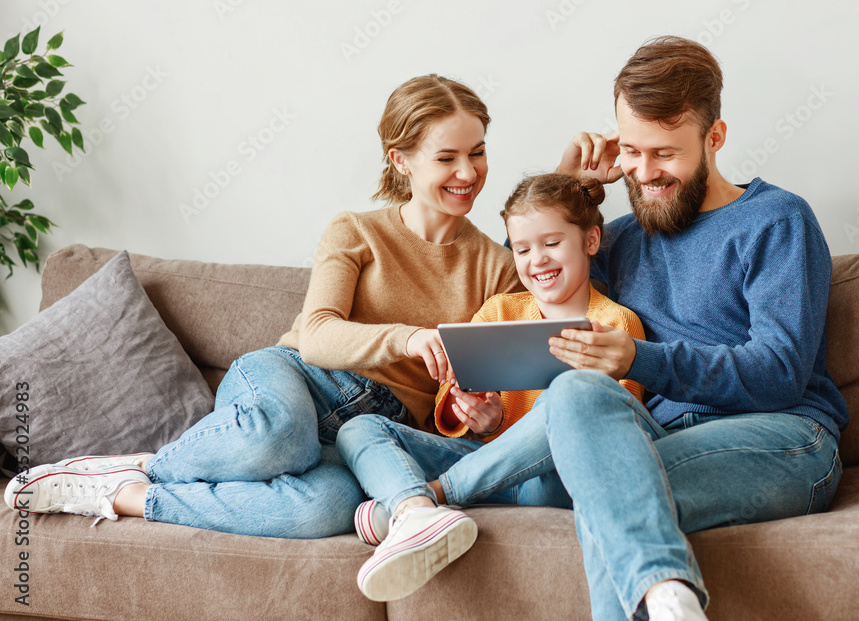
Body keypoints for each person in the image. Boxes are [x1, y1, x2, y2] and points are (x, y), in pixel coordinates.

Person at [3, 74, 522, 539]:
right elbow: (318, 334)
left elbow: (466, 397)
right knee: (281, 435)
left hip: (376, 435)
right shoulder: (356, 231)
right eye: (447, 157)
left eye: (477, 153)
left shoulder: (496, 267)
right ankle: (154, 464)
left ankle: (126, 493)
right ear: (400, 159)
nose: (468, 172)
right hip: (297, 380)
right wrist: (407, 337)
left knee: (327, 510)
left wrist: (475, 416)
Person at [537, 36, 850, 621]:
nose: (645, 173)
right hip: (661, 435)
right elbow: (534, 282)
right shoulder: (622, 237)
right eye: (630, 151)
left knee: (608, 499)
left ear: (715, 138)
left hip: (785, 435)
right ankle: (669, 599)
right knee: (576, 391)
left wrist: (639, 360)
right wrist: (568, 189)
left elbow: (780, 373)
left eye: (665, 153)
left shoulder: (777, 219)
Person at [335, 172, 646, 602]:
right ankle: (416, 511)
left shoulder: (616, 325)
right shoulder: (500, 308)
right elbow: (451, 390)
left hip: (552, 480)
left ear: (590, 241)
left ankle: (425, 500)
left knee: (567, 402)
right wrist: (481, 418)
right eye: (522, 248)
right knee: (359, 429)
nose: (537, 260)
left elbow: (613, 426)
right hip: (484, 460)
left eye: (552, 243)